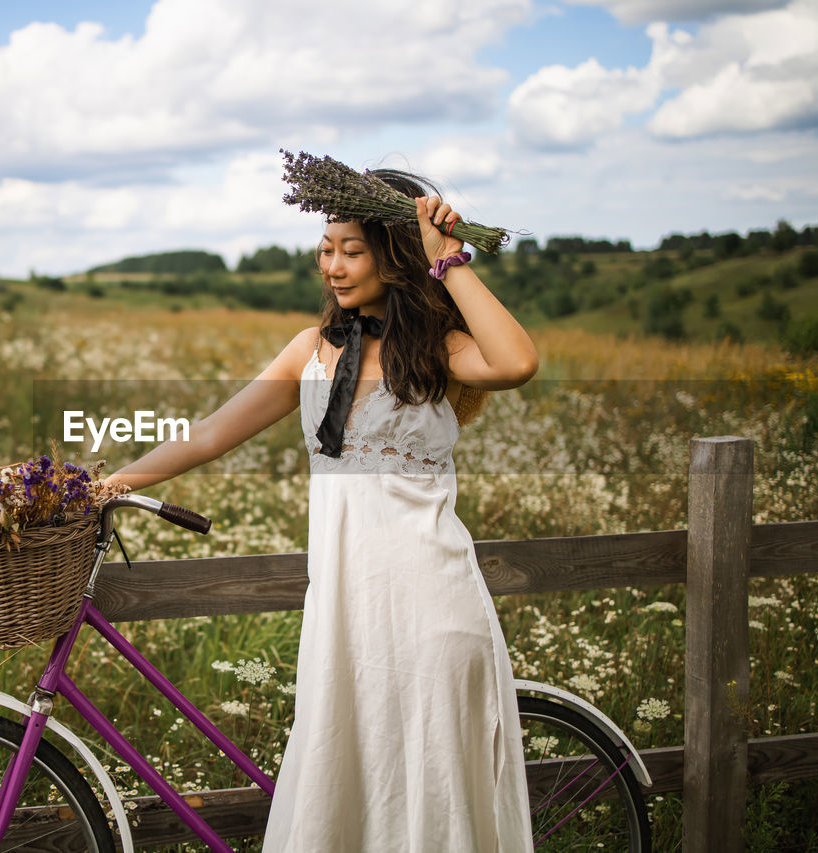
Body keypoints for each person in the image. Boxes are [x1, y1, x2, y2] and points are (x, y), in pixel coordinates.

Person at [106, 167, 537, 851]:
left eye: (353, 250)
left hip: (432, 606)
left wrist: (447, 259)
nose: (333, 265)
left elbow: (516, 361)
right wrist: (107, 485)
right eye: (326, 248)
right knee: (347, 779)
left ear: (394, 257)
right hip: (345, 612)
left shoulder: (435, 349)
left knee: (431, 789)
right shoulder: (312, 351)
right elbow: (212, 432)